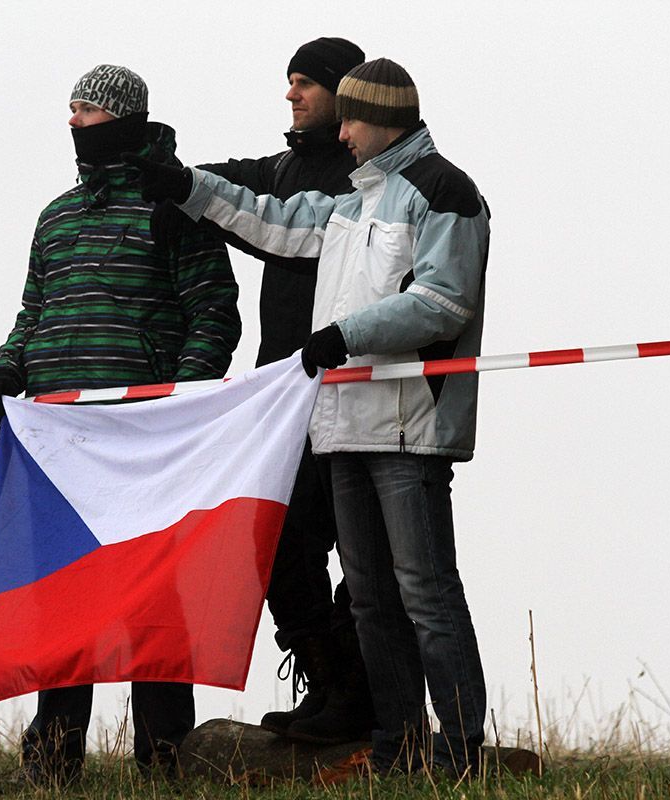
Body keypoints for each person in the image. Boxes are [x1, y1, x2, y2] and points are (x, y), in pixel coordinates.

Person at [128, 58, 490, 777]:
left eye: (350, 119)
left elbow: (445, 301)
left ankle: (458, 752)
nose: (341, 134)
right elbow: (278, 221)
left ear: (379, 118)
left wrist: (345, 334)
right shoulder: (353, 202)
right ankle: (397, 746)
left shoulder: (444, 190)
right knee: (372, 606)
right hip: (341, 426)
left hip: (408, 432)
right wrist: (188, 186)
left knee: (426, 594)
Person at [0, 64, 242, 785]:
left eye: (85, 109)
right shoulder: (55, 215)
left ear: (121, 119)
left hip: (145, 445)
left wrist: (179, 398)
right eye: (70, 108)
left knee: (153, 603)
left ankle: (164, 758)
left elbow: (214, 311)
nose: (72, 121)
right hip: (61, 443)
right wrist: (6, 368)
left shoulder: (175, 208)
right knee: (64, 601)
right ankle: (52, 761)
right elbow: (33, 313)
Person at [197, 36, 376, 744]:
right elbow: (207, 183)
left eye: (305, 82)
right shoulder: (278, 165)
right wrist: (146, 162)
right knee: (274, 543)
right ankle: (325, 675)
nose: (291, 93)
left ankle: (359, 693)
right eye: (289, 80)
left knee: (362, 551)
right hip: (280, 391)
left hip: (352, 386)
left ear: (344, 93)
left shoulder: (366, 178)